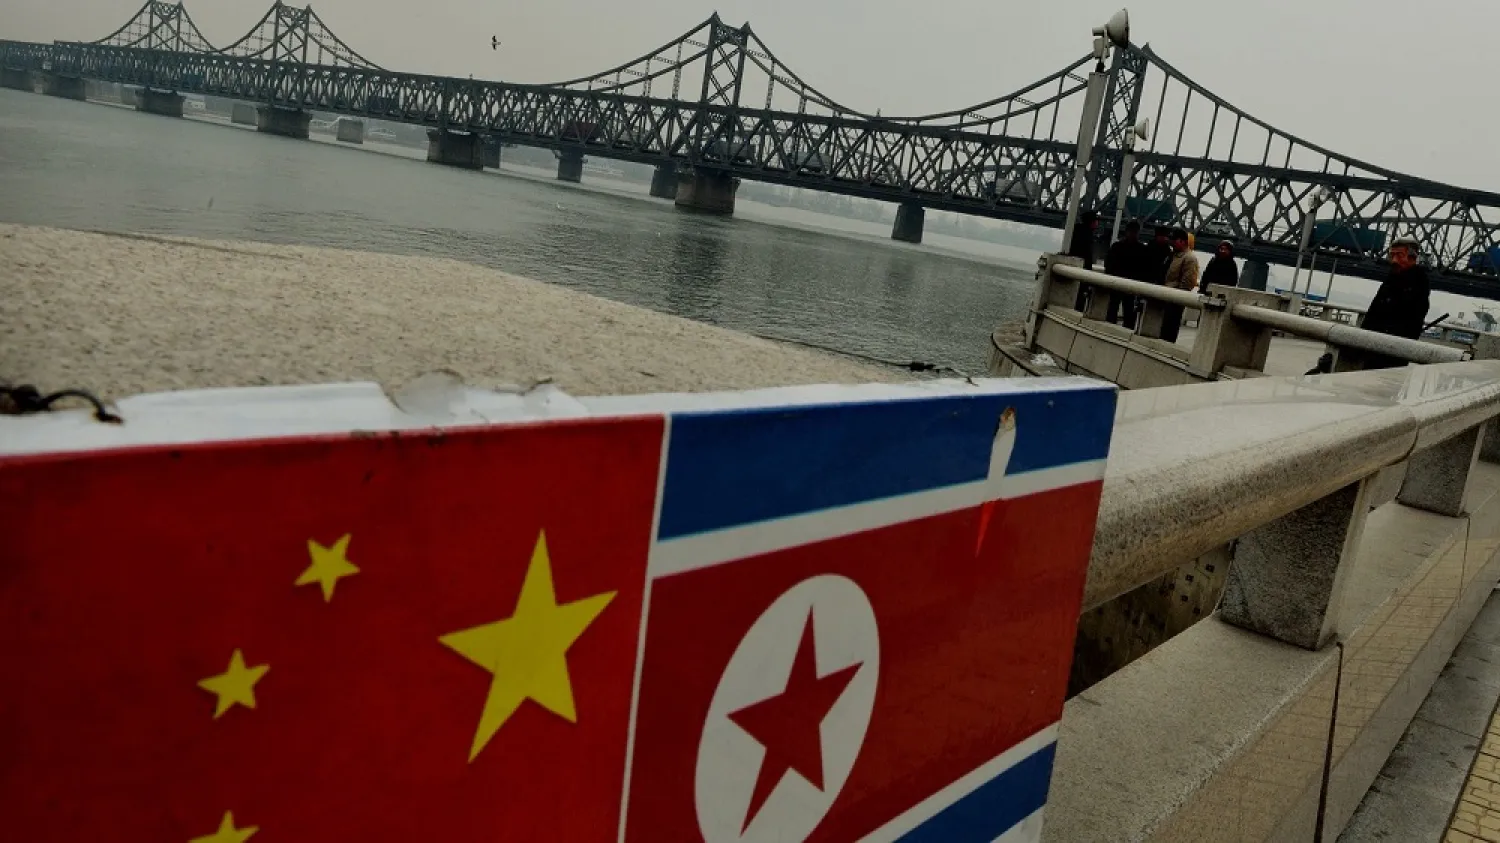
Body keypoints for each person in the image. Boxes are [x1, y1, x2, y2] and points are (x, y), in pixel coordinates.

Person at [1353, 236, 1431, 368]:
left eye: (1400, 255)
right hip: (1373, 348)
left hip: (1393, 354)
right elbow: (1373, 314)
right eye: (1392, 255)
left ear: (1413, 257)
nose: (1394, 260)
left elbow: (1408, 323)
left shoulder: (1418, 285)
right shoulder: (1391, 279)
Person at [1104, 220, 1147, 328]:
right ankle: (1127, 330)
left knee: (1113, 308)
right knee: (1128, 310)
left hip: (1117, 282)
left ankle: (1109, 327)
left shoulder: (1117, 246)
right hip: (1131, 284)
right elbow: (1144, 268)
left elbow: (1108, 264)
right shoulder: (1141, 249)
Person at [1160, 228, 1200, 343]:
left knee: (1170, 326)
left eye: (1174, 240)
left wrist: (1178, 296)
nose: (1172, 243)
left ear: (1183, 241)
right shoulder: (1172, 255)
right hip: (1165, 296)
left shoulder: (1189, 258)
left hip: (1175, 300)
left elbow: (1187, 283)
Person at [1068, 209, 1101, 310]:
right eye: (1096, 220)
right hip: (1081, 269)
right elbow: (1086, 254)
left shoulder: (1077, 230)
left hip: (1075, 267)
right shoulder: (1087, 234)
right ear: (1091, 221)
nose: (1097, 222)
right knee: (1080, 295)